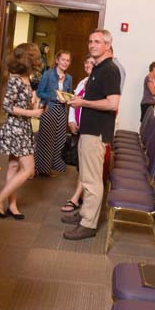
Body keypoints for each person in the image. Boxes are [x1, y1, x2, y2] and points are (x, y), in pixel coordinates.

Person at [63, 29, 121, 240]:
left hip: (96, 133)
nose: (92, 44)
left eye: (97, 41)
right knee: (86, 177)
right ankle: (86, 214)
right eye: (90, 41)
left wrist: (83, 102)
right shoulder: (98, 68)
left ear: (107, 45)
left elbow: (112, 103)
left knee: (93, 180)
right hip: (89, 130)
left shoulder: (110, 70)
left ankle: (88, 224)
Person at [0, 43, 43, 220]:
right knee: (28, 170)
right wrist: (32, 112)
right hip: (16, 128)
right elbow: (7, 106)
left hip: (23, 128)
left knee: (13, 166)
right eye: (35, 55)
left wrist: (34, 102)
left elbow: (23, 104)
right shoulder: (15, 79)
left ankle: (12, 205)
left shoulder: (27, 79)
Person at [61, 55, 95, 213]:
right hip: (79, 128)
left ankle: (75, 198)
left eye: (92, 63)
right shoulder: (83, 81)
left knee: (84, 167)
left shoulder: (96, 83)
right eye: (86, 62)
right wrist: (71, 121)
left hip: (90, 130)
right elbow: (74, 103)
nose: (88, 65)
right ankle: (80, 196)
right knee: (81, 165)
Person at [34, 49, 73, 176]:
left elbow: (69, 94)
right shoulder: (48, 74)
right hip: (49, 109)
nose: (65, 63)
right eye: (63, 59)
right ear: (57, 60)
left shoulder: (69, 78)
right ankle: (38, 168)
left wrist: (68, 98)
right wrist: (54, 97)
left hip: (61, 112)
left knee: (59, 140)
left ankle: (49, 169)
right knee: (45, 140)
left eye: (68, 60)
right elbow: (40, 92)